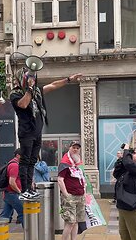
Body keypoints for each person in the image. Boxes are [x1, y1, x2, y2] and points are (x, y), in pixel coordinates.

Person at [10, 68, 82, 200]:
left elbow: (53, 85)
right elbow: (24, 104)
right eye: (29, 77)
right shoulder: (15, 93)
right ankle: (24, 190)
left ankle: (30, 189)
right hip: (26, 131)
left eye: (33, 77)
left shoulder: (37, 91)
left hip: (37, 131)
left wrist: (69, 79)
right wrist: (29, 89)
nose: (32, 79)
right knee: (25, 160)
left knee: (32, 161)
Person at [57, 141, 85, 240]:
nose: (75, 150)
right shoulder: (64, 163)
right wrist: (66, 194)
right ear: (69, 148)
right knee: (70, 222)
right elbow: (60, 179)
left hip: (80, 195)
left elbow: (83, 178)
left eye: (77, 148)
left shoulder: (78, 163)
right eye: (74, 147)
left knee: (77, 221)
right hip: (70, 196)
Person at [0, 149, 24, 225]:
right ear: (18, 155)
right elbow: (12, 182)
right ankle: (29, 234)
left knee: (5, 215)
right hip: (12, 193)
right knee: (23, 213)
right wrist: (19, 191)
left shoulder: (13, 164)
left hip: (9, 193)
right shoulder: (14, 165)